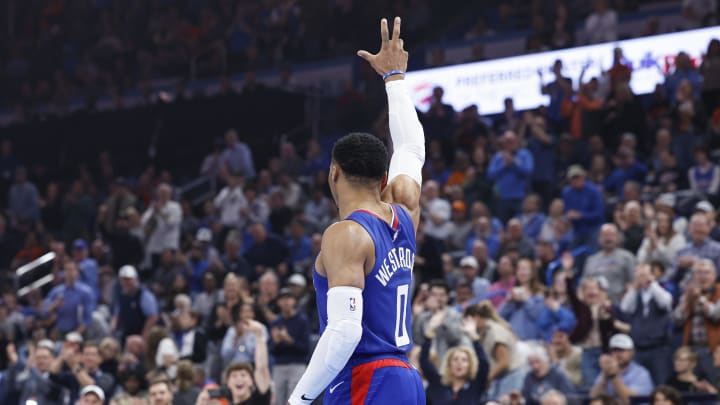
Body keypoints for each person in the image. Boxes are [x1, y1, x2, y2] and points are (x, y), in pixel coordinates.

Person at [288, 17, 426, 405]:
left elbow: (345, 331)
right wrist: (394, 79)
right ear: (384, 178)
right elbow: (411, 149)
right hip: (404, 378)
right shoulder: (404, 211)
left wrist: (297, 400)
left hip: (366, 378)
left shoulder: (345, 234)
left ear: (333, 173)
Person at [620, 263, 674, 385]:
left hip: (658, 348)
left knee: (660, 383)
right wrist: (634, 288)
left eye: (644, 274)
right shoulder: (635, 294)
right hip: (638, 348)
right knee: (637, 383)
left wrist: (651, 282)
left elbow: (665, 303)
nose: (641, 277)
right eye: (639, 275)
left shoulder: (662, 289)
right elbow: (625, 308)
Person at [464, 301, 526, 400]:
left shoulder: (495, 332)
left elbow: (504, 362)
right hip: (500, 378)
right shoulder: (483, 332)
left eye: (467, 320)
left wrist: (487, 378)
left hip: (511, 377)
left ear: (475, 317)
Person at [589, 333, 654, 403]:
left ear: (632, 352)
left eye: (622, 350)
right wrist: (605, 375)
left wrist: (613, 376)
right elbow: (593, 397)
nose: (618, 354)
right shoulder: (606, 371)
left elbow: (631, 400)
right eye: (615, 350)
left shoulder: (641, 373)